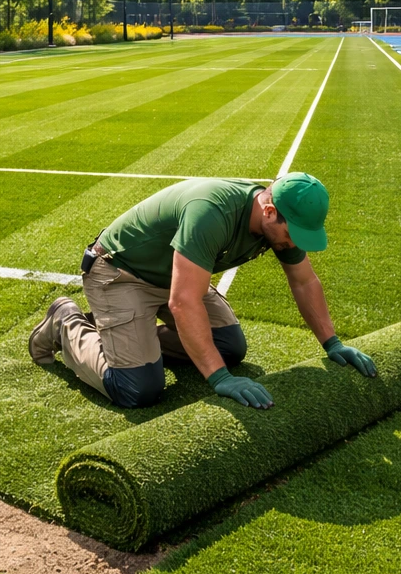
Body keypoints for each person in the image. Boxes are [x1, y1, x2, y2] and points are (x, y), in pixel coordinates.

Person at [29, 172, 376, 410]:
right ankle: (66, 321)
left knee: (229, 347)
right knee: (138, 387)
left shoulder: (279, 224)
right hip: (121, 272)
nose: (293, 243)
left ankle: (132, 339)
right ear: (270, 212)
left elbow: (304, 280)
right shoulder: (213, 211)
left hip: (175, 276)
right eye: (293, 234)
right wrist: (219, 379)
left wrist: (333, 343)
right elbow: (183, 302)